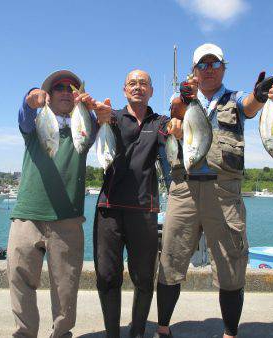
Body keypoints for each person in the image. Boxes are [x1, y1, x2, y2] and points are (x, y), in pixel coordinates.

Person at [155, 43, 273, 338]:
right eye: (203, 64)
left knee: (230, 266)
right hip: (183, 191)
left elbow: (250, 106)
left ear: (224, 68)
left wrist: (262, 95)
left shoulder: (235, 98)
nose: (209, 69)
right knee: (170, 260)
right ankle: (163, 330)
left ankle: (230, 334)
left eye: (215, 64)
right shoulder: (183, 99)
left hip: (224, 192)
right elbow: (174, 111)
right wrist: (183, 100)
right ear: (194, 71)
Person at [7, 70, 110, 338]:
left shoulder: (83, 126)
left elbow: (105, 126)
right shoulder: (35, 126)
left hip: (68, 219)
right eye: (59, 87)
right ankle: (24, 334)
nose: (66, 91)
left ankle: (61, 334)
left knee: (66, 287)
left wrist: (99, 111)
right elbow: (25, 113)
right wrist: (31, 97)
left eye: (71, 88)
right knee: (19, 281)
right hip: (27, 215)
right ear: (49, 96)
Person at [94, 69, 182, 338]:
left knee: (144, 280)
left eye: (143, 83)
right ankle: (112, 334)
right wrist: (98, 116)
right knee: (108, 278)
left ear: (151, 91)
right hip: (109, 208)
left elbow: (173, 135)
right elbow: (95, 125)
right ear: (124, 90)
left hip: (144, 210)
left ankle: (137, 333)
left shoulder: (159, 122)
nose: (138, 87)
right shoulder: (113, 118)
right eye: (132, 83)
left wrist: (179, 124)